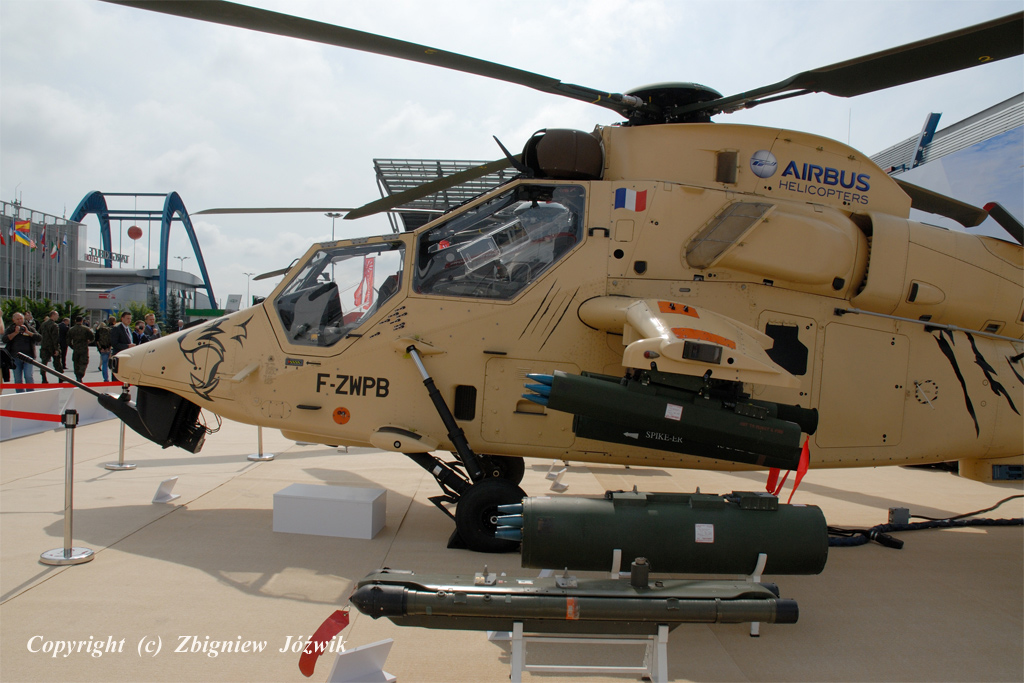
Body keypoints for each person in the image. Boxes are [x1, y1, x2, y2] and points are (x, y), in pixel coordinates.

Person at [3, 312, 42, 392]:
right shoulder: (10, 329)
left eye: (21, 319)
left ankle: (30, 394)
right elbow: (4, 339)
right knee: (18, 378)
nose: (20, 321)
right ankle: (20, 395)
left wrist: (28, 332)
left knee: (28, 376)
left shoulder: (29, 328)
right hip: (15, 357)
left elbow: (39, 338)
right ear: (14, 320)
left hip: (28, 356)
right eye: (18, 319)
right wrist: (15, 333)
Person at [67, 316, 95, 382]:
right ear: (82, 321)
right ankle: (81, 374)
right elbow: (92, 337)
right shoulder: (86, 329)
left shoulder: (71, 329)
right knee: (84, 362)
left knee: (76, 362)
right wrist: (89, 341)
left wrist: (72, 346)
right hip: (84, 348)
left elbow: (68, 340)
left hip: (76, 348)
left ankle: (77, 375)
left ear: (75, 321)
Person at [38, 310, 62, 383]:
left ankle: (43, 378)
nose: (58, 317)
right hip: (52, 346)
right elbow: (55, 338)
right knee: (57, 363)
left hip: (44, 346)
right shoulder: (54, 325)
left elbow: (39, 333)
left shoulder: (43, 324)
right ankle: (60, 378)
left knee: (44, 363)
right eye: (57, 315)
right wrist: (56, 349)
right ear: (53, 315)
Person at [95, 316, 114, 381]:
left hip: (102, 349)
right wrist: (109, 347)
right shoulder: (109, 330)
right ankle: (113, 377)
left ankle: (106, 378)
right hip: (108, 348)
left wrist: (100, 348)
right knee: (112, 364)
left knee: (104, 364)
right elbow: (111, 339)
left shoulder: (98, 331)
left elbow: (96, 340)